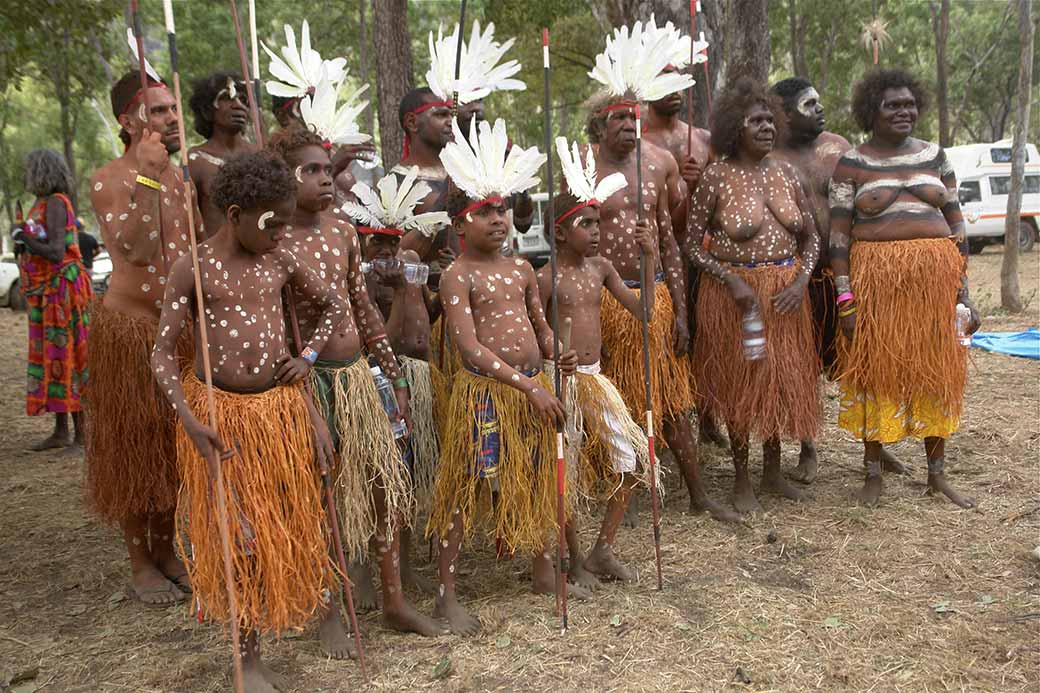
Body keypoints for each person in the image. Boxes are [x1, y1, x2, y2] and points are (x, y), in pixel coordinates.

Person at [151, 151, 346, 691]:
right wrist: (190, 421)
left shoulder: (279, 262)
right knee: (239, 538)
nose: (283, 233)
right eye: (272, 223)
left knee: (295, 519)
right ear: (235, 214)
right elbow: (162, 355)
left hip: (279, 415)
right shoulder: (193, 266)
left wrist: (305, 360)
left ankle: (316, 612)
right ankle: (246, 658)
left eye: (286, 221)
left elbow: (333, 306)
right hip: (221, 421)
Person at [267, 125, 445, 646]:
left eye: (328, 169)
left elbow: (362, 306)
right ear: (285, 177)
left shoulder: (342, 231)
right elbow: (277, 326)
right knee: (324, 497)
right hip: (312, 382)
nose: (326, 179)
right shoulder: (275, 240)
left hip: (359, 379)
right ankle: (328, 613)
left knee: (385, 488)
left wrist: (391, 375)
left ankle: (393, 602)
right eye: (312, 171)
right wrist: (306, 403)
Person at [428, 118, 577, 634]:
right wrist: (527, 385)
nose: (497, 218)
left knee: (536, 476)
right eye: (483, 211)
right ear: (459, 226)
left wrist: (559, 354)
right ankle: (446, 593)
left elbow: (541, 327)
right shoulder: (457, 274)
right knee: (468, 485)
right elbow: (468, 346)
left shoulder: (520, 270)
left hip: (534, 389)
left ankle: (542, 569)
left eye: (501, 208)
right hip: (489, 395)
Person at [583, 90, 738, 523]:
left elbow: (670, 242)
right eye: (619, 120)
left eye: (634, 119)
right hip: (604, 303)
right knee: (612, 400)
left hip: (654, 297)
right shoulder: (581, 167)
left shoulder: (658, 163)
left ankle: (697, 493)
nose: (630, 127)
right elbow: (567, 237)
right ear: (600, 125)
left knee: (669, 399)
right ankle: (622, 493)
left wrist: (682, 315)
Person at [828, 68, 979, 508]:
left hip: (935, 285)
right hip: (876, 285)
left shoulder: (935, 156)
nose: (904, 111)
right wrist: (845, 299)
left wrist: (962, 292)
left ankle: (937, 474)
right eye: (892, 104)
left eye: (909, 104)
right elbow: (838, 239)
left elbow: (957, 226)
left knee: (936, 372)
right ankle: (872, 474)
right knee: (876, 372)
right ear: (870, 111)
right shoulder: (852, 163)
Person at [683, 77, 822, 515]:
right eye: (754, 121)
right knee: (740, 385)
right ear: (733, 129)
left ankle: (772, 472)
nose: (765, 128)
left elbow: (811, 238)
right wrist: (732, 282)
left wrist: (800, 282)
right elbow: (690, 244)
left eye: (769, 120)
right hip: (733, 299)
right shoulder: (715, 177)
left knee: (779, 384)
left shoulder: (787, 175)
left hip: (785, 295)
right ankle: (742, 478)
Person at [87, 69, 198, 607]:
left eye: (174, 108)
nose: (172, 118)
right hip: (130, 330)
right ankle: (140, 563)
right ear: (130, 121)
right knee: (133, 445)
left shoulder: (183, 179)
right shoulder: (109, 177)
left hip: (177, 331)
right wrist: (149, 179)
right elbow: (133, 249)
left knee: (173, 444)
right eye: (159, 111)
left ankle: (168, 550)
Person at [535, 141, 654, 584]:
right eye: (586, 223)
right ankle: (572, 556)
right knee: (566, 468)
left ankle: (601, 551)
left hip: (596, 379)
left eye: (598, 221)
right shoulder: (545, 277)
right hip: (561, 379)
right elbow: (533, 332)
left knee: (632, 461)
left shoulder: (602, 268)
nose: (597, 230)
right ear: (562, 233)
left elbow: (644, 314)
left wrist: (649, 257)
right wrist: (551, 354)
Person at [343, 167, 452, 597]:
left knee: (406, 479)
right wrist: (401, 295)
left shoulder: (409, 267)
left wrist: (434, 295)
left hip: (419, 377)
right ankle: (364, 574)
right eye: (378, 241)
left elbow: (426, 318)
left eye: (394, 240)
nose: (388, 249)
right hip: (380, 383)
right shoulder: (361, 278)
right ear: (364, 241)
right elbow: (376, 342)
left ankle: (403, 571)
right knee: (376, 478)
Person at [768, 77, 863, 484]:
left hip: (844, 273)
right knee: (803, 366)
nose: (820, 109)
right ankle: (808, 445)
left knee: (857, 360)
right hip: (795, 281)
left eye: (819, 102)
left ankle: (873, 442)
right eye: (809, 104)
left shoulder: (839, 148)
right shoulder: (768, 158)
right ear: (785, 114)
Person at [642, 63, 729, 450]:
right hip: (659, 255)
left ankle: (709, 414)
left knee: (707, 336)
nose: (675, 90)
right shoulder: (639, 141)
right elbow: (666, 220)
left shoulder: (704, 139)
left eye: (680, 81)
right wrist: (687, 191)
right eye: (664, 81)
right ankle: (665, 417)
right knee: (671, 338)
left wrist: (701, 188)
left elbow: (720, 205)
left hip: (704, 254)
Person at [12, 150, 91, 450]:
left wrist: (25, 237)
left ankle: (81, 434)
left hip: (61, 292)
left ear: (42, 171)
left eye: (30, 170)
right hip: (45, 294)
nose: (26, 176)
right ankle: (60, 432)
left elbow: (57, 252)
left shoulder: (58, 202)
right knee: (53, 360)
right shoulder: (40, 204)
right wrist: (23, 240)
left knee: (68, 356)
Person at [187, 72, 258, 238]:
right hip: (215, 260)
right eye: (227, 98)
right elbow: (188, 221)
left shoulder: (260, 154)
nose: (238, 105)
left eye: (243, 99)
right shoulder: (196, 160)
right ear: (207, 109)